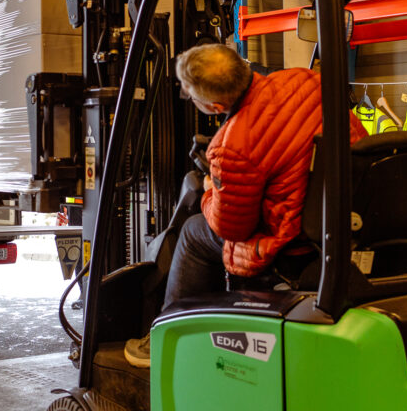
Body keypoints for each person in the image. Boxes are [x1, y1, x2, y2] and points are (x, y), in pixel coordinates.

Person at [124, 44, 366, 367]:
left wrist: (211, 190)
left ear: (216, 106)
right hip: (338, 217)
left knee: (195, 232)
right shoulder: (306, 81)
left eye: (192, 97)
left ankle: (166, 337)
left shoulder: (231, 145)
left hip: (289, 242)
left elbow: (231, 227)